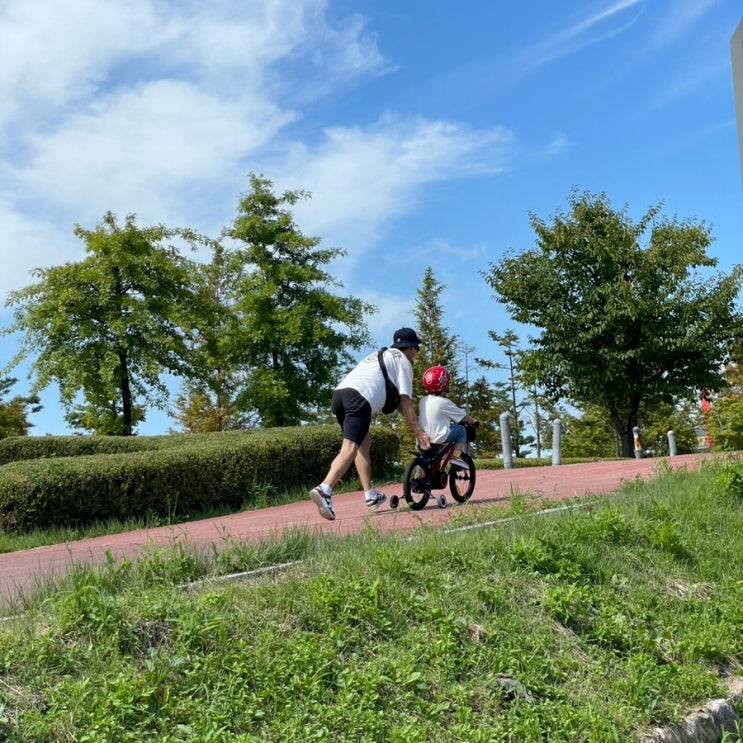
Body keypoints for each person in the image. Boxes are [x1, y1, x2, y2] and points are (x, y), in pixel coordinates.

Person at [310, 327, 431, 521]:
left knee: (363, 443)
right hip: (359, 399)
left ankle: (370, 496)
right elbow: (405, 401)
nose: (416, 354)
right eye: (417, 349)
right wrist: (419, 432)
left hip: (340, 395)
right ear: (410, 348)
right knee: (349, 448)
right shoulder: (403, 362)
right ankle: (325, 489)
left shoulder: (378, 355)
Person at [418, 365, 477, 469]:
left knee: (430, 459)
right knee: (461, 430)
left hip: (422, 438)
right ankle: (455, 459)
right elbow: (464, 417)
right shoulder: (444, 402)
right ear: (443, 384)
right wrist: (474, 422)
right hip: (439, 436)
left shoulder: (423, 400)